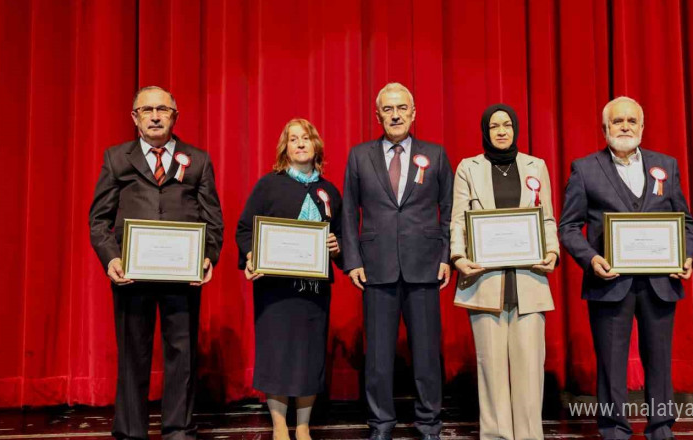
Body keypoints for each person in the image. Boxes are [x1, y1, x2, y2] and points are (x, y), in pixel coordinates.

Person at [89, 86, 224, 440]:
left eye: (162, 109)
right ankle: (132, 432)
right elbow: (98, 220)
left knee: (182, 355)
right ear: (134, 118)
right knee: (133, 354)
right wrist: (111, 258)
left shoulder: (198, 160)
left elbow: (213, 218)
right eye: (146, 109)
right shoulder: (117, 158)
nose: (154, 115)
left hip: (183, 274)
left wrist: (208, 256)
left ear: (174, 116)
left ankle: (178, 429)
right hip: (132, 275)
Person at [559, 96, 693, 440]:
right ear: (605, 128)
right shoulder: (585, 168)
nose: (625, 127)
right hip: (609, 282)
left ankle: (661, 428)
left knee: (660, 362)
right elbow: (569, 226)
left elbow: (687, 222)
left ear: (642, 127)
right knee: (610, 363)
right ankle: (613, 429)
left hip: (659, 281)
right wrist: (591, 259)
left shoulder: (666, 165)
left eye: (631, 121)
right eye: (617, 121)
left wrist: (686, 256)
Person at [341, 82, 454, 440]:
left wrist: (446, 255)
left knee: (426, 356)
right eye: (388, 109)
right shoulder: (360, 156)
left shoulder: (435, 155)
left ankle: (429, 424)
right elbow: (347, 213)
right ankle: (381, 424)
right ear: (378, 116)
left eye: (402, 108)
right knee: (377, 358)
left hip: (424, 266)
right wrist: (353, 260)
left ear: (414, 113)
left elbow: (450, 210)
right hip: (376, 267)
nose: (395, 115)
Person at [449, 104, 559, 440]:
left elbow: (547, 219)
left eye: (507, 125)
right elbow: (458, 220)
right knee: (492, 369)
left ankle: (528, 436)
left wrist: (552, 250)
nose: (501, 131)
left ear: (515, 129)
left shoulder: (535, 166)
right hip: (485, 279)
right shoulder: (468, 168)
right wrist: (458, 256)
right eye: (494, 125)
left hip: (529, 279)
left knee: (529, 368)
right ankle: (496, 436)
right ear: (485, 130)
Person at [236, 118, 343, 440]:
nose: (299, 143)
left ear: (316, 146)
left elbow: (342, 238)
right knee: (277, 355)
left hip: (314, 292)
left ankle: (305, 426)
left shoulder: (330, 191)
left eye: (306, 138)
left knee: (310, 357)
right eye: (293, 139)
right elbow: (245, 229)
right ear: (285, 147)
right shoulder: (269, 185)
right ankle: (280, 427)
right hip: (275, 292)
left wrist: (337, 249)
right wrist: (251, 256)